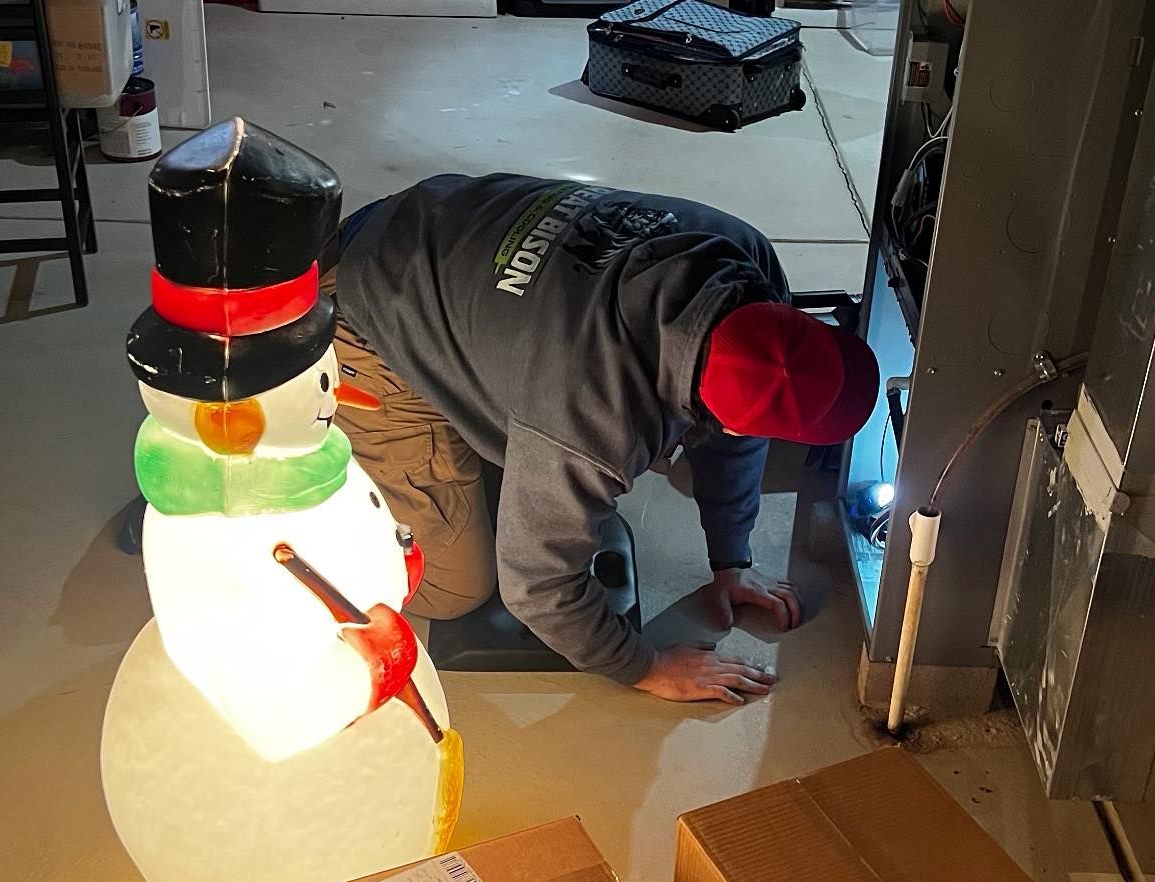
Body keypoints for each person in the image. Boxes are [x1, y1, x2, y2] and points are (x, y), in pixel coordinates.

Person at [321, 174, 879, 706]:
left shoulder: (743, 253)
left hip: (444, 222)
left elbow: (737, 432)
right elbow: (537, 589)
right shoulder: (592, 412)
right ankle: (311, 424)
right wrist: (646, 667)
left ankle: (469, 421)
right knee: (453, 587)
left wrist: (730, 559)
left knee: (541, 475)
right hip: (364, 310)